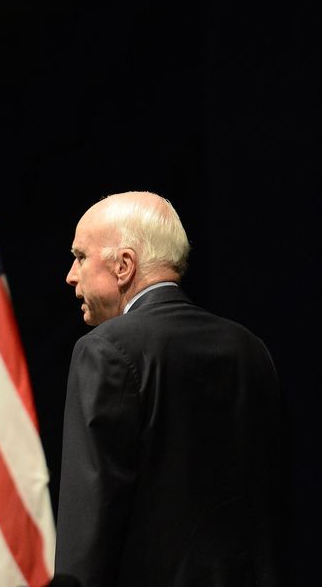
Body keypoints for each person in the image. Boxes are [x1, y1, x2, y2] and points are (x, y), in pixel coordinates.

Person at [54, 191, 286, 587]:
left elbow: (89, 522)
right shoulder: (251, 349)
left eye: (80, 257)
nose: (70, 276)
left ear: (124, 265)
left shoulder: (105, 350)